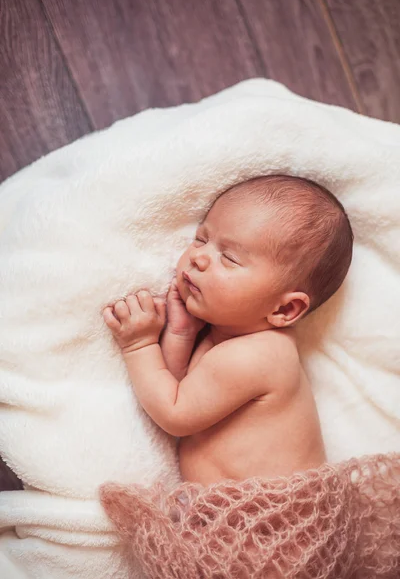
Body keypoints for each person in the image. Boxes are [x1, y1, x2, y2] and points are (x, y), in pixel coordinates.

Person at [103, 175, 353, 487]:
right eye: (201, 239)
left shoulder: (261, 356)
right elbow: (176, 388)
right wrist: (180, 333)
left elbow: (174, 412)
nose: (200, 257)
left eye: (230, 258)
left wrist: (138, 345)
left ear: (284, 310)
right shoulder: (227, 341)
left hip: (273, 521)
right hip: (235, 519)